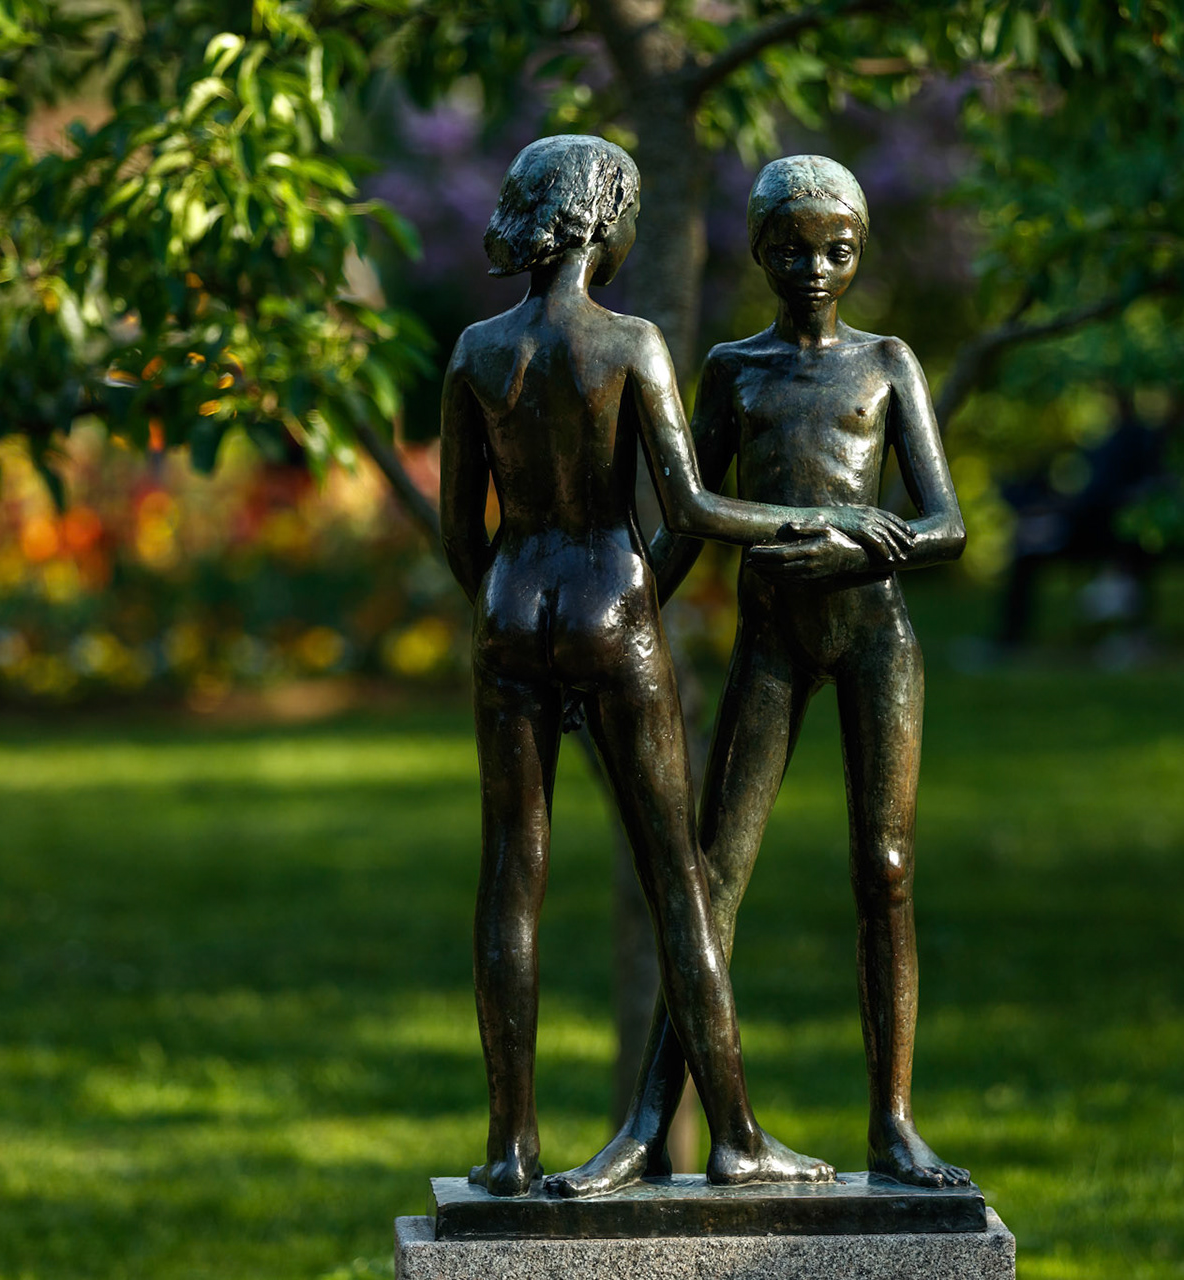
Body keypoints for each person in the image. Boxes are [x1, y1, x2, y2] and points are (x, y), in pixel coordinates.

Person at [440, 136, 914, 1197]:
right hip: (612, 602)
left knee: (510, 875)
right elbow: (689, 507)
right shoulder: (632, 343)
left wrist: (503, 612)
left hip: (512, 608)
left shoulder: (476, 349)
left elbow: (460, 531)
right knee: (682, 881)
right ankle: (734, 1134)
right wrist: (821, 519)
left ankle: (509, 1147)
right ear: (605, 221)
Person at [550, 156, 969, 1198]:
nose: (814, 268)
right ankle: (649, 1126)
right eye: (790, 249)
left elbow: (945, 523)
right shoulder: (735, 370)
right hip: (772, 642)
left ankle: (894, 1125)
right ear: (759, 252)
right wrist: (616, 626)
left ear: (859, 252)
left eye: (836, 249)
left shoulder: (886, 362)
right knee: (712, 878)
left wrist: (857, 544)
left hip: (875, 636)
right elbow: (686, 521)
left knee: (886, 867)